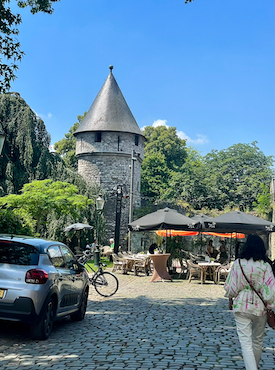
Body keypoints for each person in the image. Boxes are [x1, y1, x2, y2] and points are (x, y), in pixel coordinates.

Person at [224, 235, 275, 370]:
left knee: (245, 342)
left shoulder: (238, 263)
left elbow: (231, 287)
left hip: (241, 305)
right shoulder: (265, 266)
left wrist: (230, 298)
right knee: (258, 341)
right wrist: (270, 305)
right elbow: (271, 289)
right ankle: (254, 367)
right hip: (260, 307)